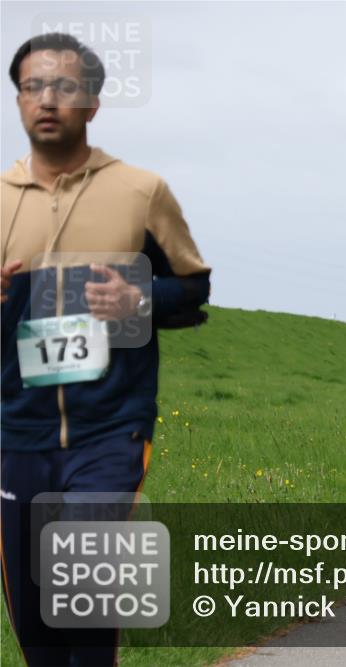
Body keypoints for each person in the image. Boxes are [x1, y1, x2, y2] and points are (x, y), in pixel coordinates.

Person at [1, 33, 211, 666]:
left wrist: (137, 299)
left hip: (110, 429)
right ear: (18, 99)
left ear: (92, 102)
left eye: (64, 87)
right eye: (33, 86)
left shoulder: (140, 191)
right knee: (34, 619)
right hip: (15, 433)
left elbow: (193, 286)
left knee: (82, 588)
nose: (47, 99)